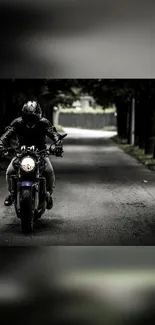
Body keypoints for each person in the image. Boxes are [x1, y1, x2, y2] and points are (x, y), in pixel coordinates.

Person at [0, 101, 63, 209]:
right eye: (28, 117)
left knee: (49, 171)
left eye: (33, 118)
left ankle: (48, 193)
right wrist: (0, 145)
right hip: (21, 153)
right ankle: (12, 193)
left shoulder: (44, 123)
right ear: (23, 115)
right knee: (10, 171)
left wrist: (58, 144)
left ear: (39, 115)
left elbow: (53, 134)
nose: (30, 121)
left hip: (41, 153)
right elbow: (6, 135)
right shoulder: (17, 123)